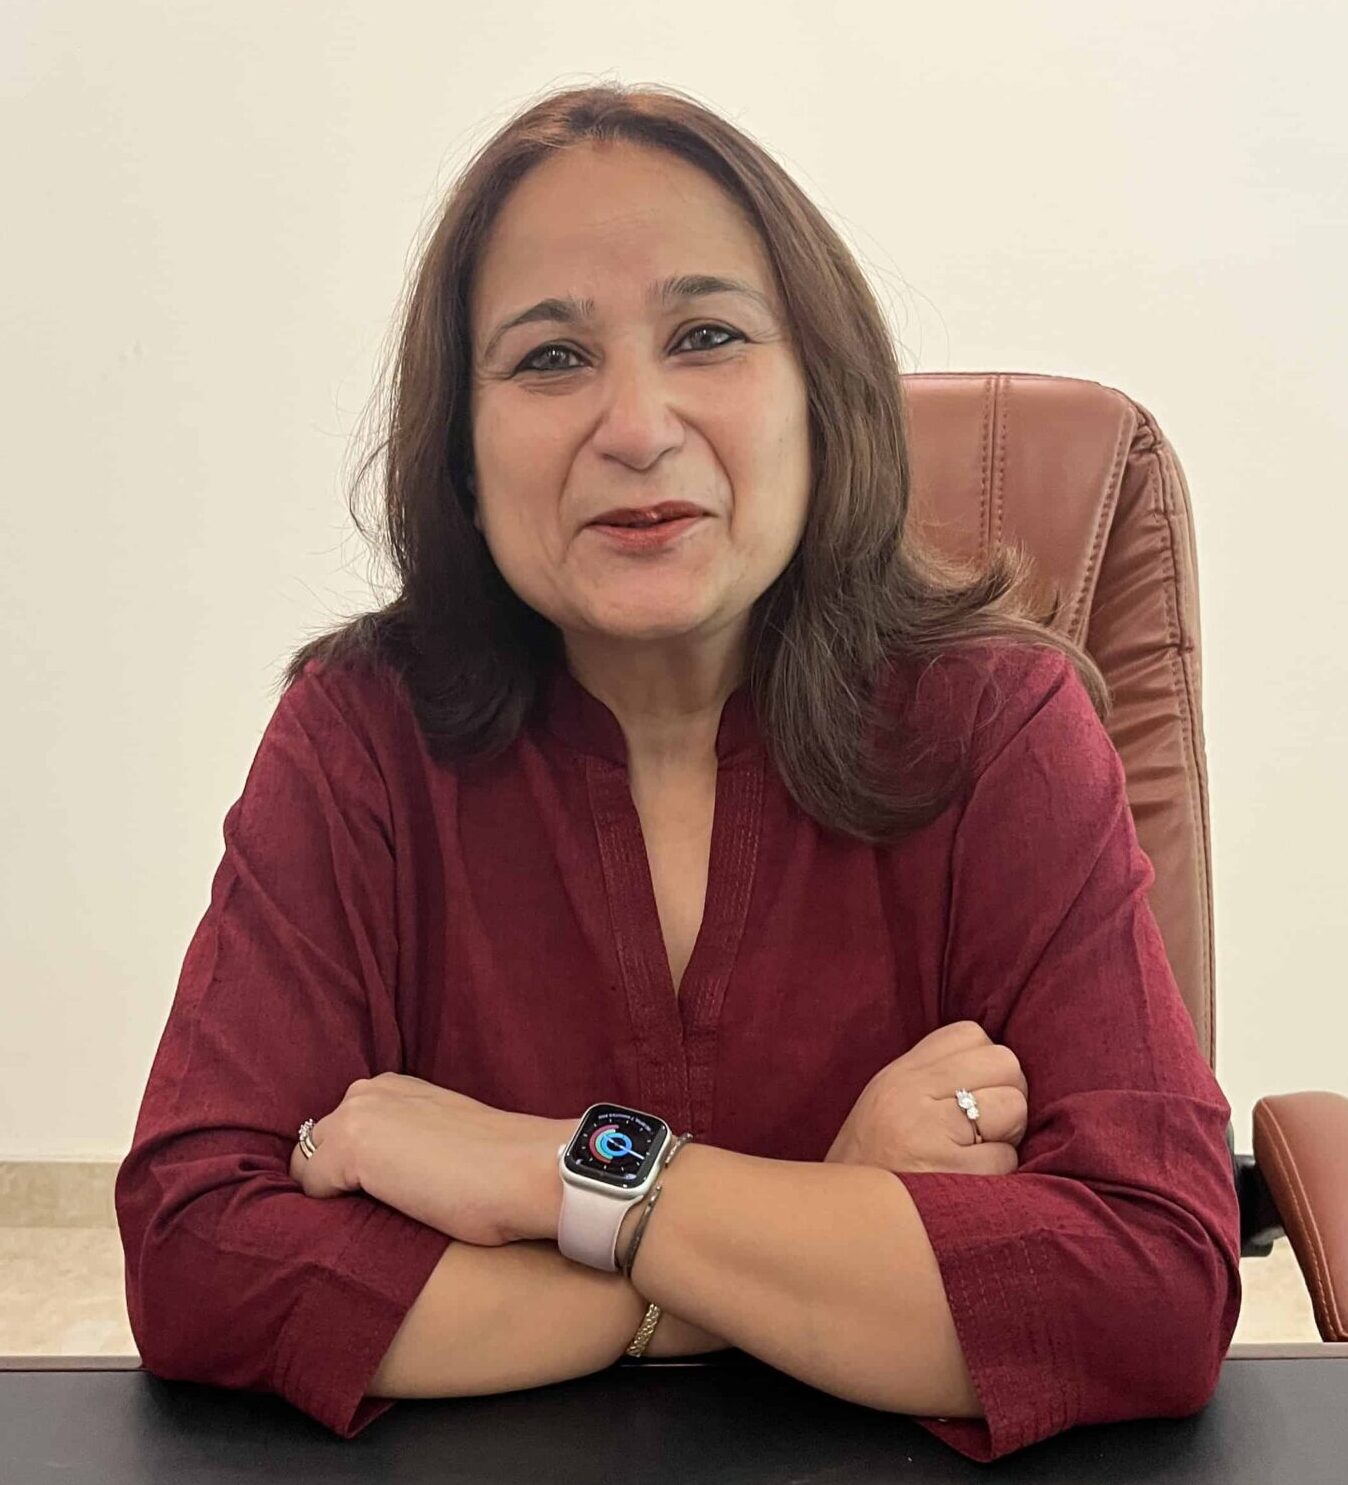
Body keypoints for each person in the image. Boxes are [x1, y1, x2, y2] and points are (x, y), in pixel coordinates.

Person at [114, 82, 1240, 1463]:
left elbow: (1151, 1287)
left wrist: (551, 1172)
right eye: (549, 358)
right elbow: (196, 1257)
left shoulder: (1002, 723)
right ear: (459, 452)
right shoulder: (359, 735)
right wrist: (799, 1232)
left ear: (822, 395)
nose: (638, 425)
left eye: (707, 335)